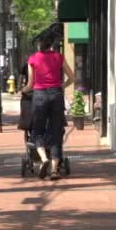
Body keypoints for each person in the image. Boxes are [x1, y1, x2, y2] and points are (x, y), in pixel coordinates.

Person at [21, 32, 74, 179]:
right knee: (56, 131)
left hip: (39, 96)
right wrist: (62, 86)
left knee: (37, 130)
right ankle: (55, 170)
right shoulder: (58, 57)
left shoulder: (33, 59)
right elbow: (72, 77)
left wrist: (22, 91)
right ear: (51, 44)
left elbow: (30, 84)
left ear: (39, 44)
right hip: (56, 95)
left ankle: (44, 159)